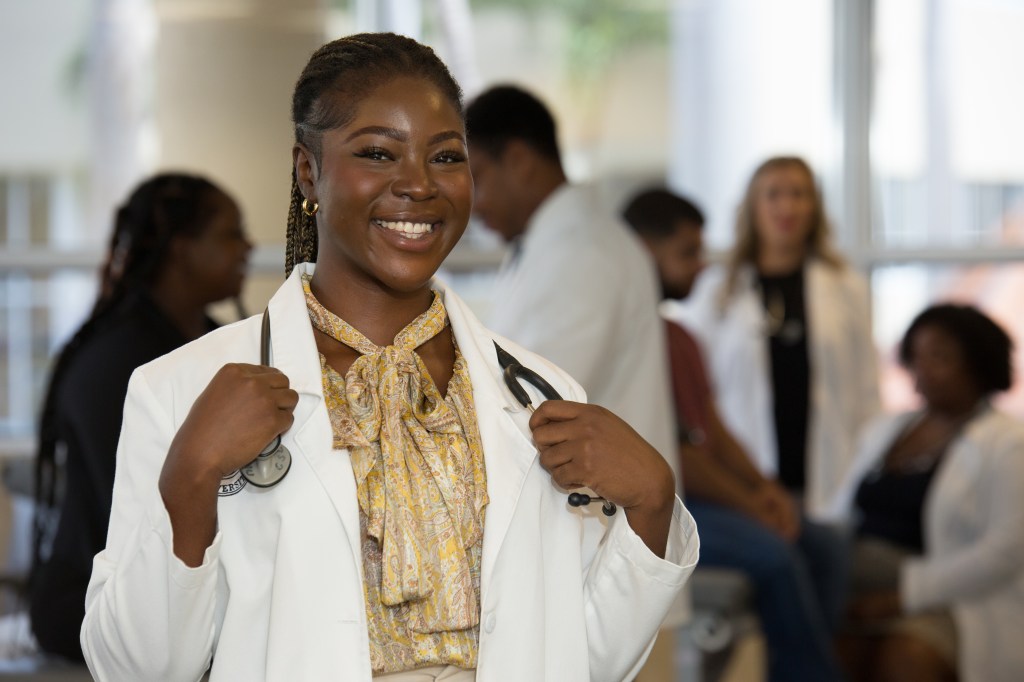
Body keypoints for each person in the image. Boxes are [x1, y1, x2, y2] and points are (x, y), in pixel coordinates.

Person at [80, 33, 698, 682]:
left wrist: (653, 505)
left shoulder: (540, 396)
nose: (418, 185)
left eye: (447, 157)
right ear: (307, 170)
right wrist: (191, 480)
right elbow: (134, 669)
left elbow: (582, 661)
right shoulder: (176, 390)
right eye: (378, 152)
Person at [27, 173, 250, 662]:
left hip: (187, 586)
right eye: (230, 233)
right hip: (97, 604)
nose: (248, 246)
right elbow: (140, 512)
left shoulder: (218, 343)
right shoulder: (114, 362)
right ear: (182, 248)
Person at [623, 187, 843, 681]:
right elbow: (680, 456)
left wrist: (766, 489)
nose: (701, 267)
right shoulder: (634, 341)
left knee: (827, 546)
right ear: (643, 250)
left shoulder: (679, 335)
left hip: (702, 494)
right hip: (669, 503)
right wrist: (753, 505)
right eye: (687, 253)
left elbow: (712, 431)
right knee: (774, 554)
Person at [665, 156, 879, 627]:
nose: (788, 205)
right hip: (747, 477)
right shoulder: (715, 289)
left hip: (828, 477)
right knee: (772, 613)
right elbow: (700, 401)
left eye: (799, 193)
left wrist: (860, 471)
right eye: (774, 193)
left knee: (826, 603)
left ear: (815, 206)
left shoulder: (846, 287)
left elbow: (867, 392)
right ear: (752, 207)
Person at [464, 86, 677, 485]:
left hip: (605, 518)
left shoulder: (585, 253)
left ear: (519, 160)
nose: (474, 202)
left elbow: (534, 404)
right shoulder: (543, 244)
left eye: (478, 177)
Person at [831, 304, 1024, 682]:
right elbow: (838, 513)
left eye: (939, 357)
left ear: (979, 363)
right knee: (827, 654)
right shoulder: (887, 431)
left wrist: (901, 597)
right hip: (857, 586)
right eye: (916, 356)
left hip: (948, 598)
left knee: (906, 659)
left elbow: (1005, 550)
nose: (922, 370)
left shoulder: (1008, 443)